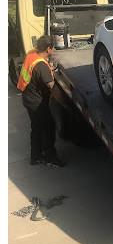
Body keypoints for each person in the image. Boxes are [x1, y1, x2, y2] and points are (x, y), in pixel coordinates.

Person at [17, 35, 65, 167]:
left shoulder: (32, 55)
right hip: (36, 103)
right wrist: (65, 105)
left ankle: (36, 156)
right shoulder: (41, 67)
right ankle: (50, 158)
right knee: (48, 129)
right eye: (53, 48)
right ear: (48, 49)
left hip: (27, 97)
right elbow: (53, 90)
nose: (54, 50)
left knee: (37, 128)